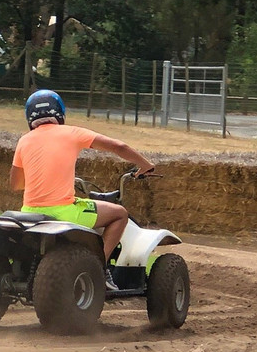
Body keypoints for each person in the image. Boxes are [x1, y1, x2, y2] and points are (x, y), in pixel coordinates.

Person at [9, 89, 156, 291]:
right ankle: (98, 267)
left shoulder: (24, 140)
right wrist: (145, 165)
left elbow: (16, 184)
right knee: (120, 214)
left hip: (29, 212)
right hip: (63, 212)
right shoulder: (72, 133)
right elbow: (118, 146)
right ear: (60, 112)